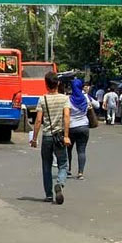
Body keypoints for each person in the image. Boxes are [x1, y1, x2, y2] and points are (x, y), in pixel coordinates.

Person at [30, 71, 71, 205]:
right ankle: (60, 182)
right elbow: (66, 117)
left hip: (47, 136)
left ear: (46, 85)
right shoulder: (64, 99)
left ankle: (48, 195)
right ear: (58, 83)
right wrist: (66, 136)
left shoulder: (42, 99)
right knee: (63, 164)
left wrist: (34, 139)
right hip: (59, 136)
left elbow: (38, 120)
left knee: (46, 166)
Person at [66, 78, 95, 180]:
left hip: (71, 128)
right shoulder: (86, 98)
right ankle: (80, 173)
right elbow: (94, 106)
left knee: (68, 150)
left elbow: (66, 114)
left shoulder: (69, 99)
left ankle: (68, 170)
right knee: (81, 151)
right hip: (84, 127)